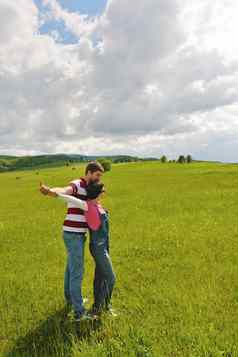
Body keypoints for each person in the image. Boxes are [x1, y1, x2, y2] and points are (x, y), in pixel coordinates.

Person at [39, 161, 104, 321]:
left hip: (76, 233)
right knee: (77, 271)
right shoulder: (78, 183)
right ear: (89, 172)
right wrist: (51, 191)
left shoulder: (90, 189)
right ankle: (79, 312)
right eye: (97, 175)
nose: (98, 178)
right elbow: (65, 191)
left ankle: (71, 299)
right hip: (73, 233)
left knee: (71, 268)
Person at [56, 182, 116, 318]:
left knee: (101, 277)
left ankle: (100, 306)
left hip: (105, 244)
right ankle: (102, 306)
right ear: (98, 192)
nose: (104, 192)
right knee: (111, 278)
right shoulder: (87, 205)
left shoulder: (98, 204)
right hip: (98, 247)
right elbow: (69, 198)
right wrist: (54, 192)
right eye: (103, 190)